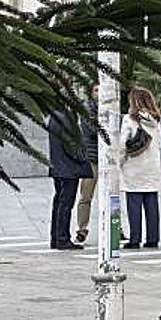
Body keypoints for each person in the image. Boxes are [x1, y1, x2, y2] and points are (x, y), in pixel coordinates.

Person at [120, 85, 161, 249]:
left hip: (134, 168)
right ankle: (153, 238)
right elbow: (160, 144)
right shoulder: (156, 120)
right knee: (152, 204)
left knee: (134, 204)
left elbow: (123, 144)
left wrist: (118, 162)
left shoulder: (130, 119)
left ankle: (135, 239)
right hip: (152, 167)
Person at [47, 103, 93, 251]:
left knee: (59, 203)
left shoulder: (55, 116)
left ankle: (56, 238)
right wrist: (83, 158)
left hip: (58, 167)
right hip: (68, 168)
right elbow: (71, 145)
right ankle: (62, 239)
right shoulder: (66, 118)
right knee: (66, 204)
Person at [74, 83, 100, 244]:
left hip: (108, 159)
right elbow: (92, 130)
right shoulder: (87, 109)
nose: (99, 93)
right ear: (91, 93)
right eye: (96, 90)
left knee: (113, 196)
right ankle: (82, 229)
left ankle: (117, 229)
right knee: (86, 196)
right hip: (92, 159)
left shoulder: (110, 107)